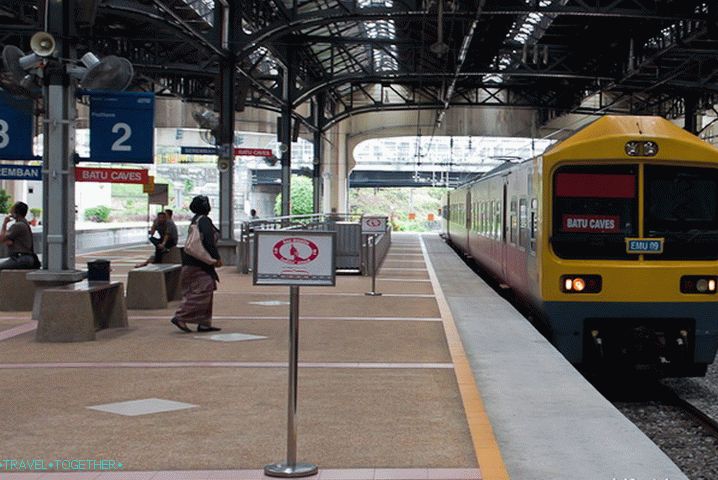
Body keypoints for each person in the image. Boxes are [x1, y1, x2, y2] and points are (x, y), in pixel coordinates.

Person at [171, 195, 223, 333]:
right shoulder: (204, 220)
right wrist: (216, 258)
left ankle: (204, 322)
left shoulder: (195, 220)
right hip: (199, 263)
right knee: (202, 291)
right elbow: (208, 242)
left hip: (193, 262)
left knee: (204, 290)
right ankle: (181, 316)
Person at [0, 202, 38, 270]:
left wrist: (5, 223)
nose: (10, 211)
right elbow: (9, 241)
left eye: (12, 209)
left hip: (21, 258)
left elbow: (1, 238)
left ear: (16, 212)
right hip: (27, 258)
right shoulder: (24, 223)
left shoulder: (17, 225)